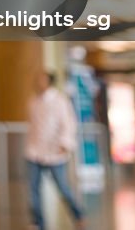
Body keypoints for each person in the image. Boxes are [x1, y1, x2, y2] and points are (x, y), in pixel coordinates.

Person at [25, 71, 85, 230]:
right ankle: (38, 222)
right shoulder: (34, 101)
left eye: (42, 79)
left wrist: (65, 143)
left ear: (49, 81)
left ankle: (78, 215)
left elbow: (69, 123)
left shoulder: (59, 101)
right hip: (34, 151)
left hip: (55, 152)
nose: (39, 82)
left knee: (63, 188)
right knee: (33, 189)